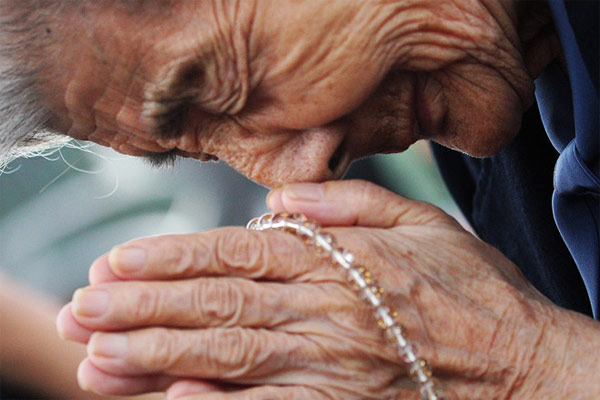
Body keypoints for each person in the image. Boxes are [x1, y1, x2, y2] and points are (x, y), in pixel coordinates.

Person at [0, 0, 597, 399]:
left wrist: (533, 365)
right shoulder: (484, 108)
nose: (303, 178)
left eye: (223, 86)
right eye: (201, 151)